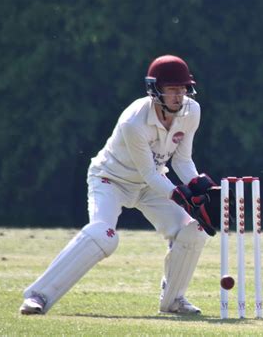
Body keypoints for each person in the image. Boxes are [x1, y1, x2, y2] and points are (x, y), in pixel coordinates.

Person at [20, 55, 217, 315]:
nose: (178, 97)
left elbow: (182, 160)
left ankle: (173, 301)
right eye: (172, 90)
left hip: (151, 185)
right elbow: (147, 172)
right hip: (111, 179)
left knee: (194, 230)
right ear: (155, 90)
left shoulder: (192, 111)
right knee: (103, 235)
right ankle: (38, 296)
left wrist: (196, 185)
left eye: (182, 89)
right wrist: (181, 196)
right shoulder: (133, 121)